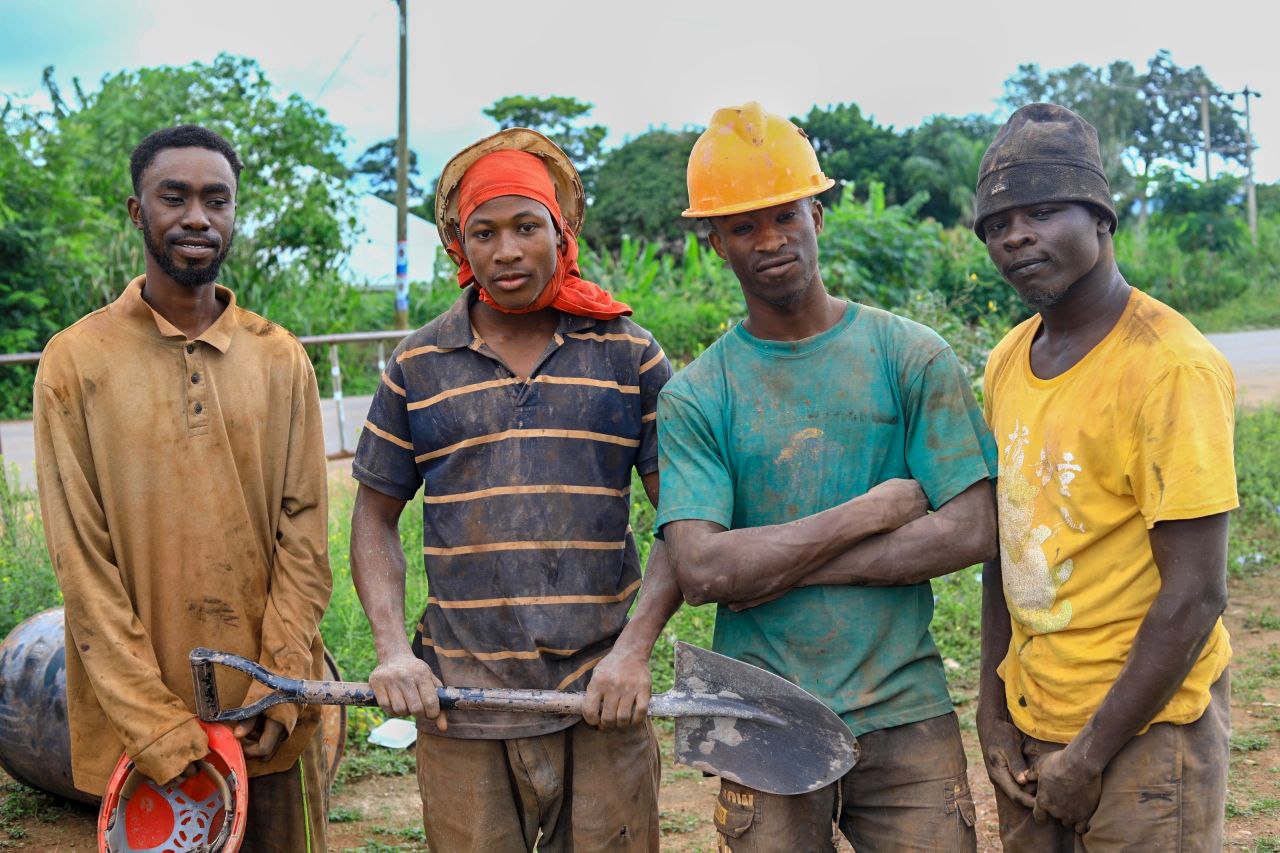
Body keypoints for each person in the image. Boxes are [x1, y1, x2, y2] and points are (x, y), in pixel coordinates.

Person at [657, 102, 998, 852]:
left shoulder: (909, 355)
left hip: (902, 705)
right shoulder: (696, 393)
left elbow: (973, 526)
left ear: (818, 212)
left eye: (784, 215)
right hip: (758, 714)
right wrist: (871, 510)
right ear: (714, 242)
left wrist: (777, 566)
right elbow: (706, 568)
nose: (770, 240)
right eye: (743, 226)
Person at [349, 128, 682, 852]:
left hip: (602, 703)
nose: (506, 251)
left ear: (560, 233)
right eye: (484, 231)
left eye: (526, 226)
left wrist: (635, 650)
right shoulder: (417, 366)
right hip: (461, 702)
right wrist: (390, 650)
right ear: (459, 247)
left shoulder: (629, 354)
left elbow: (684, 521)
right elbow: (373, 520)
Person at [34, 124, 332, 850]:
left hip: (270, 723)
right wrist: (155, 723)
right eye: (175, 196)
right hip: (142, 739)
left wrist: (281, 680)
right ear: (138, 212)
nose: (197, 216)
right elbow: (84, 568)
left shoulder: (279, 356)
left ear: (233, 214)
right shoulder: (76, 362)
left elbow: (306, 534)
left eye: (216, 199)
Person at [974, 103, 1237, 851]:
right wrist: (992, 705)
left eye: (1043, 210)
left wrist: (1090, 753)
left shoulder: (1168, 366)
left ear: (1101, 218)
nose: (1015, 235)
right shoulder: (1007, 359)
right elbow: (1008, 545)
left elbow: (1196, 594)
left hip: (1147, 734)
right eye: (996, 224)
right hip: (1030, 730)